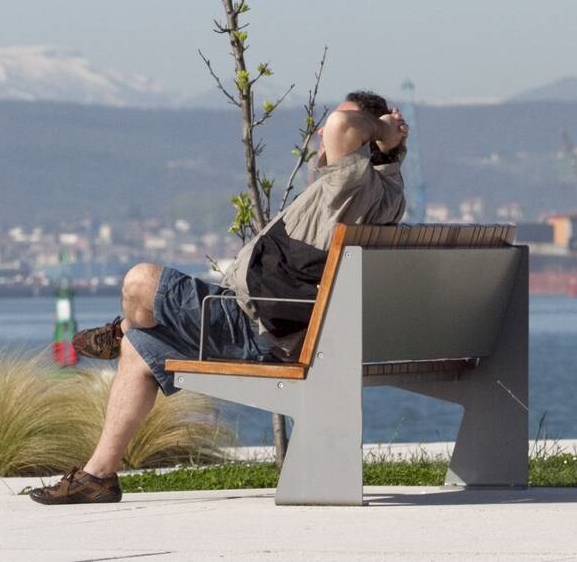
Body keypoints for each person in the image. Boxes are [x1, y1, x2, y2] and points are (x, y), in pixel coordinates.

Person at [29, 90, 408, 504]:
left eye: (342, 119)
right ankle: (98, 476)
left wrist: (384, 130)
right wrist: (390, 146)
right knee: (139, 352)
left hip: (253, 328)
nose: (321, 130)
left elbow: (339, 125)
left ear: (365, 136)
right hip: (288, 330)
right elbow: (349, 133)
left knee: (139, 281)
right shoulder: (389, 189)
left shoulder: (348, 182)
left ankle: (121, 328)